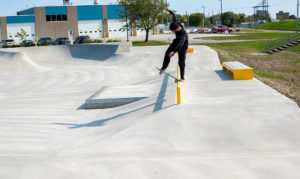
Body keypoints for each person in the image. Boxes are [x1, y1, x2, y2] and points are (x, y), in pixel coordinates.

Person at [159, 8, 189, 81]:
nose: (172, 32)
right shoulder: (176, 22)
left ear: (176, 29)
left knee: (181, 62)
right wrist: (169, 10)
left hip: (183, 46)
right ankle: (164, 67)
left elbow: (180, 44)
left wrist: (174, 51)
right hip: (176, 42)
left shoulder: (183, 34)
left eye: (173, 31)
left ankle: (182, 77)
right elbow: (174, 15)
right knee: (167, 53)